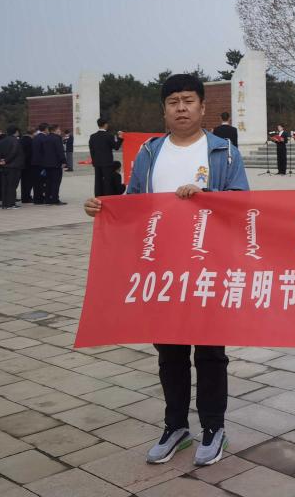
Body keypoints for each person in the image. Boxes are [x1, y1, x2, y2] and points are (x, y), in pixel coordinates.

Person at [84, 73, 248, 467]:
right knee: (170, 353)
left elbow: (242, 203)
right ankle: (175, 426)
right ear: (164, 110)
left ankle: (213, 427)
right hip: (161, 268)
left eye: (188, 100)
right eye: (173, 102)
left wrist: (208, 196)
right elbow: (133, 202)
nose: (181, 108)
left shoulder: (224, 151)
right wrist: (103, 208)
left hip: (208, 267)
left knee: (210, 353)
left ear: (202, 107)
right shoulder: (150, 152)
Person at [89, 119, 124, 198]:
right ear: (105, 125)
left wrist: (94, 161)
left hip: (97, 163)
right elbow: (116, 147)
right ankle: (107, 197)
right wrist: (120, 138)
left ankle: (98, 196)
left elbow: (92, 150)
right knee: (108, 181)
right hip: (107, 162)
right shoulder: (109, 136)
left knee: (98, 181)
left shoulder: (93, 136)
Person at [0, 126, 24, 208]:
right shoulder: (15, 140)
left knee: (5, 185)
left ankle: (5, 203)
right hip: (14, 166)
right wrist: (6, 160)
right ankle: (11, 203)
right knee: (12, 185)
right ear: (16, 131)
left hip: (4, 166)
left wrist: (2, 160)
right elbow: (14, 152)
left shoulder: (2, 140)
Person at [43, 125, 68, 205]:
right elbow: (60, 151)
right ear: (55, 130)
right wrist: (64, 161)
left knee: (48, 182)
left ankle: (47, 199)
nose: (60, 131)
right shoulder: (57, 138)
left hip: (47, 164)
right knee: (56, 182)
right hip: (56, 164)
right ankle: (55, 199)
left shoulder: (45, 138)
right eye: (59, 129)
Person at [30, 123, 50, 204]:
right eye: (48, 129)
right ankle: (41, 198)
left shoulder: (35, 137)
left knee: (36, 182)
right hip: (42, 163)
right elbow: (46, 152)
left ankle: (36, 198)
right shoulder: (44, 138)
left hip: (34, 162)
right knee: (42, 182)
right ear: (45, 129)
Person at [19, 128, 35, 204]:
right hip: (29, 164)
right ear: (33, 133)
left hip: (21, 164)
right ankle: (26, 197)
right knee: (29, 182)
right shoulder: (31, 141)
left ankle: (24, 197)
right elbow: (30, 153)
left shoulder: (21, 140)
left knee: (23, 182)